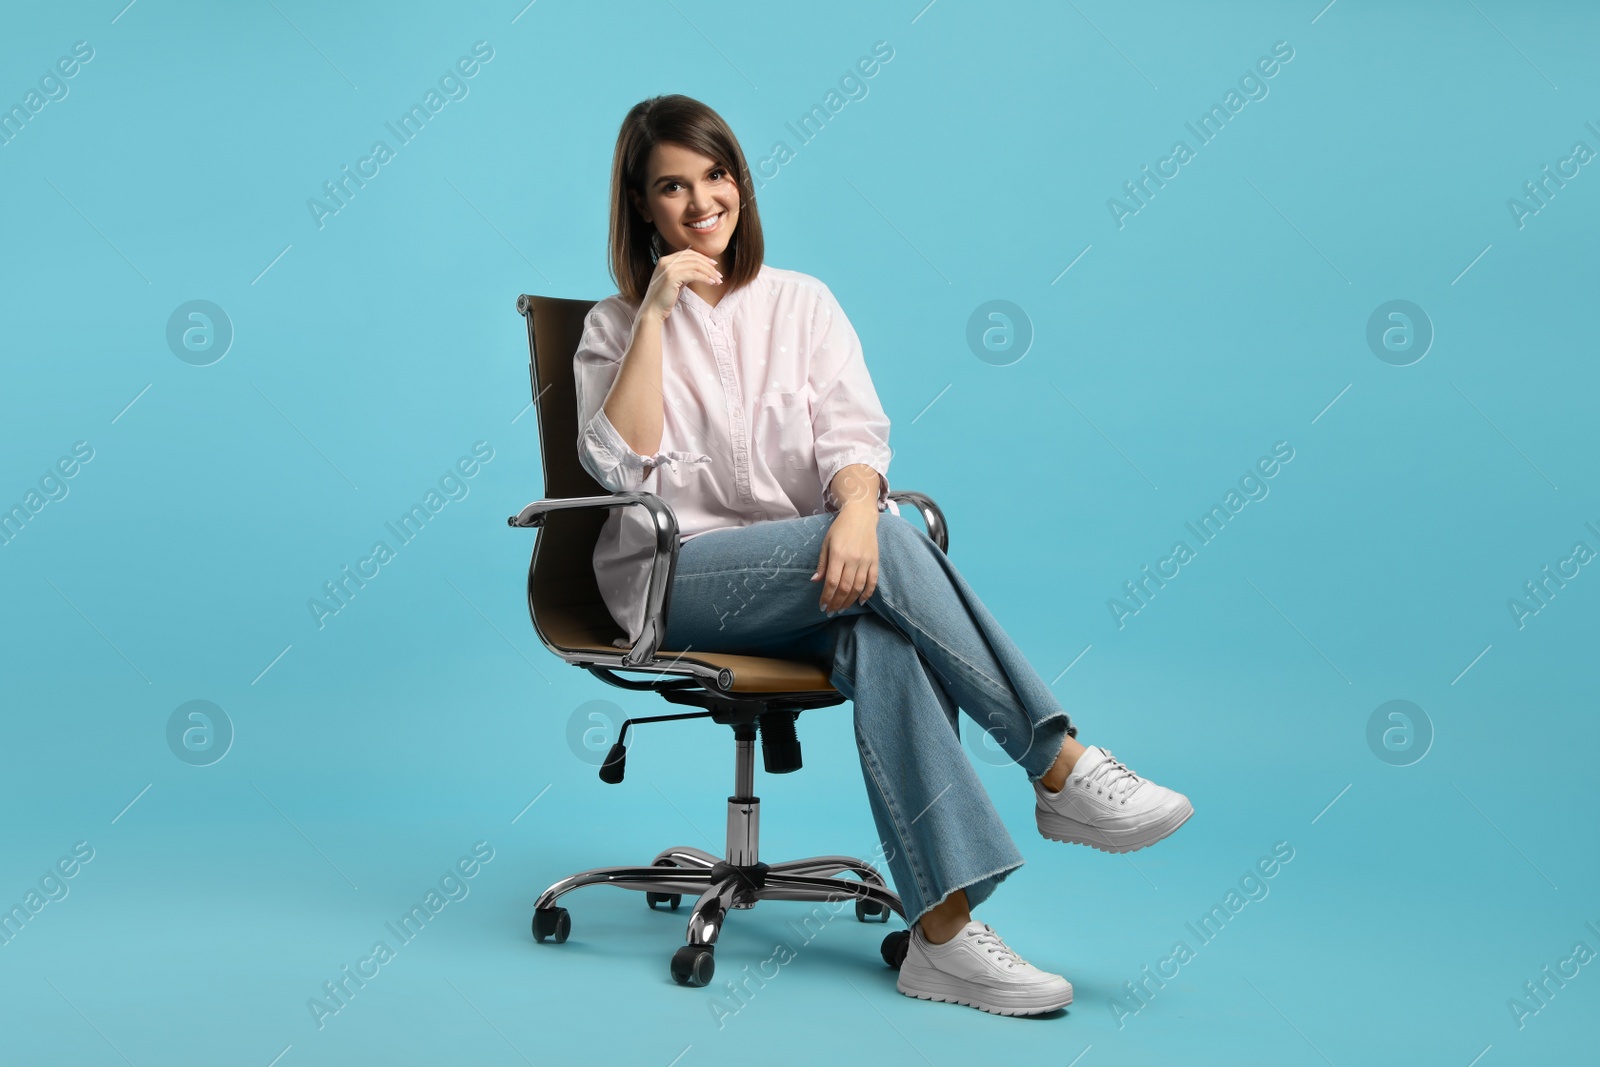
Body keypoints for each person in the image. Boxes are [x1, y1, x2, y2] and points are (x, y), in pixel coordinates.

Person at [573, 94, 1194, 1017]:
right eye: (672, 186)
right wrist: (657, 312)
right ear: (641, 207)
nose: (702, 200)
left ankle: (940, 938)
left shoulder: (802, 303)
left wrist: (858, 512)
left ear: (739, 181)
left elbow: (854, 436)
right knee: (882, 554)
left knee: (887, 639)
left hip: (809, 580)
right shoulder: (615, 326)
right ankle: (1057, 763)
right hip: (679, 580)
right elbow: (618, 461)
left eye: (715, 175)